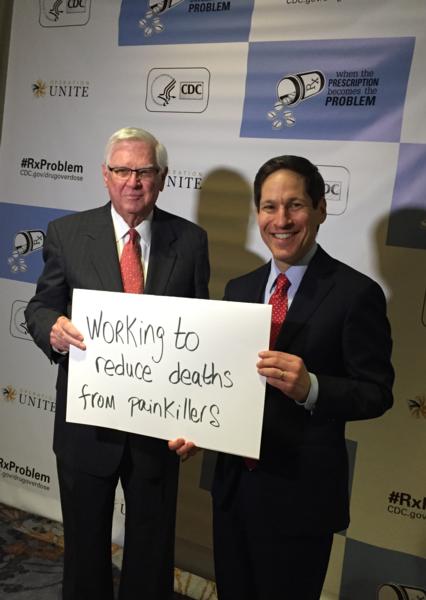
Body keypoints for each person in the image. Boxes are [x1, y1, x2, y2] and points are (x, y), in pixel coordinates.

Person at [25, 127, 210, 600]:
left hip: (158, 428)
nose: (133, 181)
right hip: (85, 427)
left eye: (144, 171)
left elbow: (201, 334)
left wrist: (196, 418)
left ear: (162, 178)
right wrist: (52, 329)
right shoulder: (67, 233)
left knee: (151, 551)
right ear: (104, 175)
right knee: (84, 549)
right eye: (122, 170)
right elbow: (41, 306)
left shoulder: (191, 241)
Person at [209, 155, 394, 600]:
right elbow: (225, 383)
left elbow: (376, 392)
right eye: (269, 207)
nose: (282, 220)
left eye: (295, 205)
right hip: (235, 490)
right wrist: (200, 425)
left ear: (320, 209)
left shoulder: (357, 294)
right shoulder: (239, 289)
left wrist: (312, 388)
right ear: (257, 214)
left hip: (301, 498)